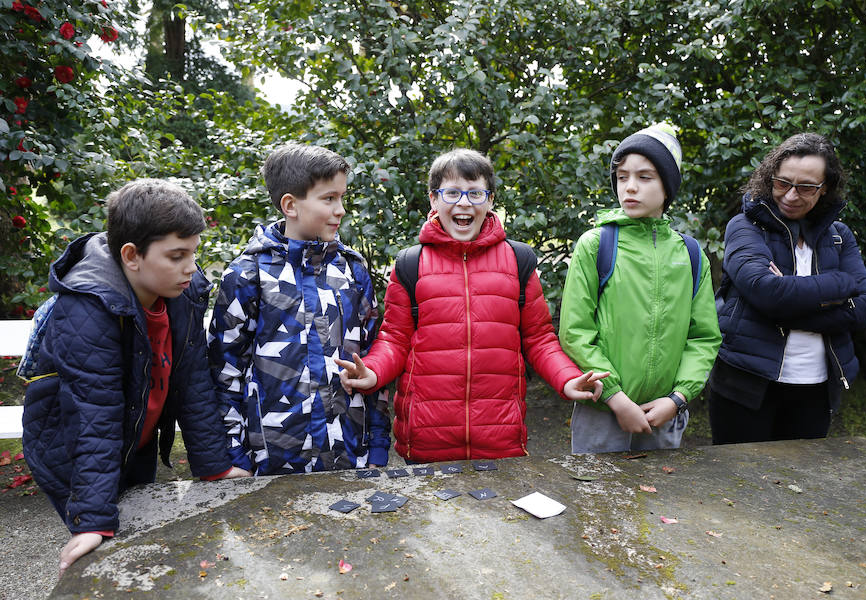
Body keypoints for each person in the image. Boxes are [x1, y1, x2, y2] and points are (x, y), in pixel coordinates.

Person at [20, 179, 248, 577]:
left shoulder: (183, 292)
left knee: (147, 550)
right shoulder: (87, 309)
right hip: (73, 449)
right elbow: (95, 413)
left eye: (193, 253)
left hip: (135, 438)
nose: (191, 268)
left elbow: (191, 380)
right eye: (177, 256)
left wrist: (214, 466)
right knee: (109, 548)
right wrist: (91, 520)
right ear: (132, 255)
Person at [336, 148, 605, 463]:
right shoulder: (411, 264)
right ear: (434, 199)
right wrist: (374, 372)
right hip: (426, 439)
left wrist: (568, 378)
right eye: (451, 193)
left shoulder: (519, 261)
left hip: (500, 437)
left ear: (490, 201)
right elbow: (395, 338)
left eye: (475, 193)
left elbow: (539, 338)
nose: (463, 203)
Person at [207, 144, 391, 475]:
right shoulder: (247, 275)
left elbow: (372, 356)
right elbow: (225, 371)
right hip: (271, 465)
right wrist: (234, 456)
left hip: (351, 456)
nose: (341, 210)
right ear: (290, 205)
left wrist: (377, 446)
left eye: (342, 197)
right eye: (329, 198)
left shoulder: (353, 270)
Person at [558, 123, 721, 453]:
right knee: (597, 500)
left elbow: (703, 336)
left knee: (659, 503)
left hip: (663, 415)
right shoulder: (596, 245)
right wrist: (617, 399)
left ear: (667, 186)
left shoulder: (690, 255)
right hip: (602, 413)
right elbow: (575, 331)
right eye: (622, 177)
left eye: (645, 177)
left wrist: (678, 398)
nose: (630, 187)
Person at [709, 132, 866, 443]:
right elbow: (764, 291)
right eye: (782, 183)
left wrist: (785, 305)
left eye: (806, 187)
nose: (790, 195)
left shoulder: (839, 236)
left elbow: (865, 305)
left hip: (814, 390)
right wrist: (840, 284)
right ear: (769, 176)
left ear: (824, 188)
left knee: (802, 486)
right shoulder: (745, 227)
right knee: (741, 483)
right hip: (744, 386)